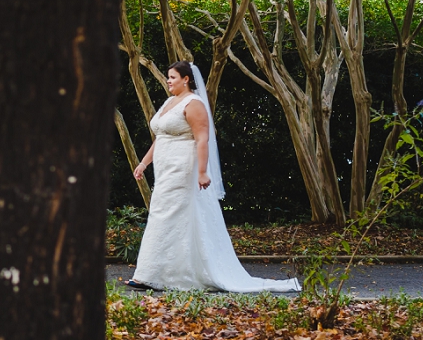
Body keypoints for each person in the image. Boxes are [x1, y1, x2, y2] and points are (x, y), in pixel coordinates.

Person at [127, 61, 300, 293]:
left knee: (169, 215)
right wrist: (143, 163)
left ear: (186, 79)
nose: (168, 81)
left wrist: (201, 172)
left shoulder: (194, 103)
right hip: (164, 169)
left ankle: (152, 274)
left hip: (183, 167)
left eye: (173, 77)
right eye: (168, 77)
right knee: (163, 214)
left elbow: (202, 139)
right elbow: (161, 136)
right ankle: (158, 273)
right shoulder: (170, 102)